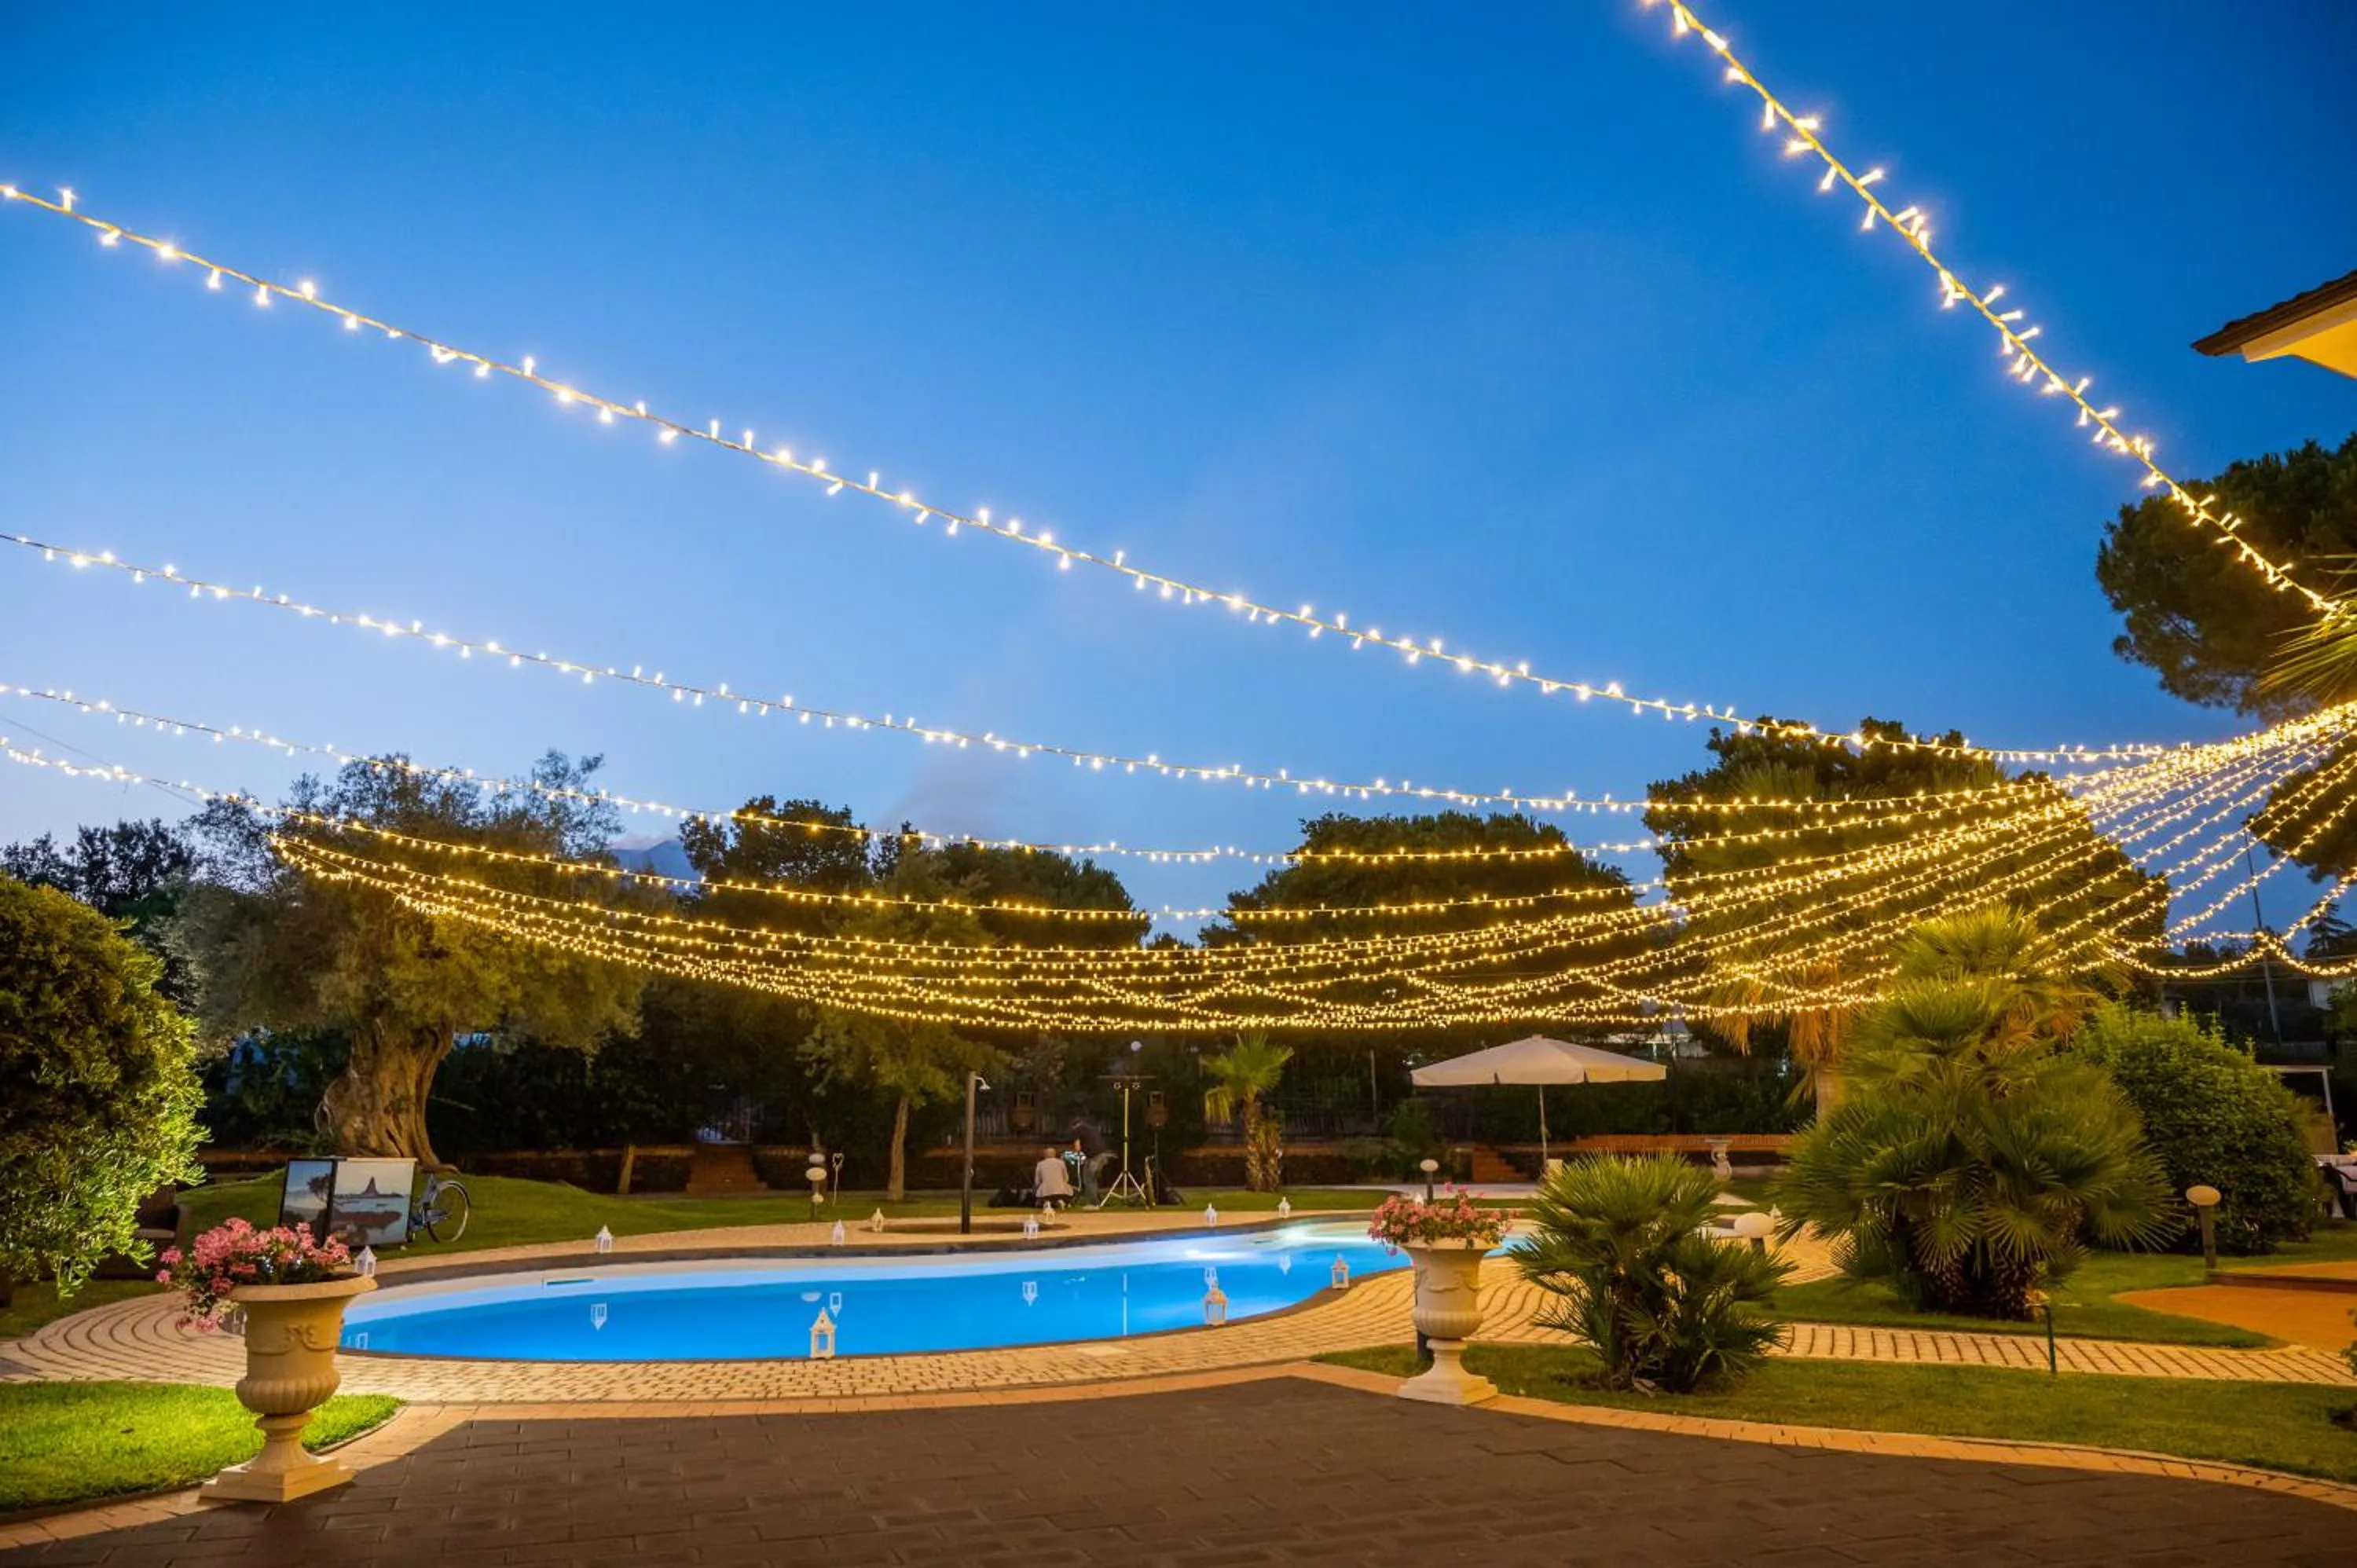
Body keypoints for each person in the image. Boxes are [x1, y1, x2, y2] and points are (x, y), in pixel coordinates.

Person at [1033, 1146, 1073, 1211]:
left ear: (1045, 1154)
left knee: (1040, 1190)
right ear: (1055, 1154)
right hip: (1061, 1190)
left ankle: (1047, 1202)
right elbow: (1066, 1178)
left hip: (1046, 1192)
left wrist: (1038, 1187)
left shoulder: (1040, 1164)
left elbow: (1037, 1181)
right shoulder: (1061, 1163)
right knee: (1068, 1188)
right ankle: (1061, 1201)